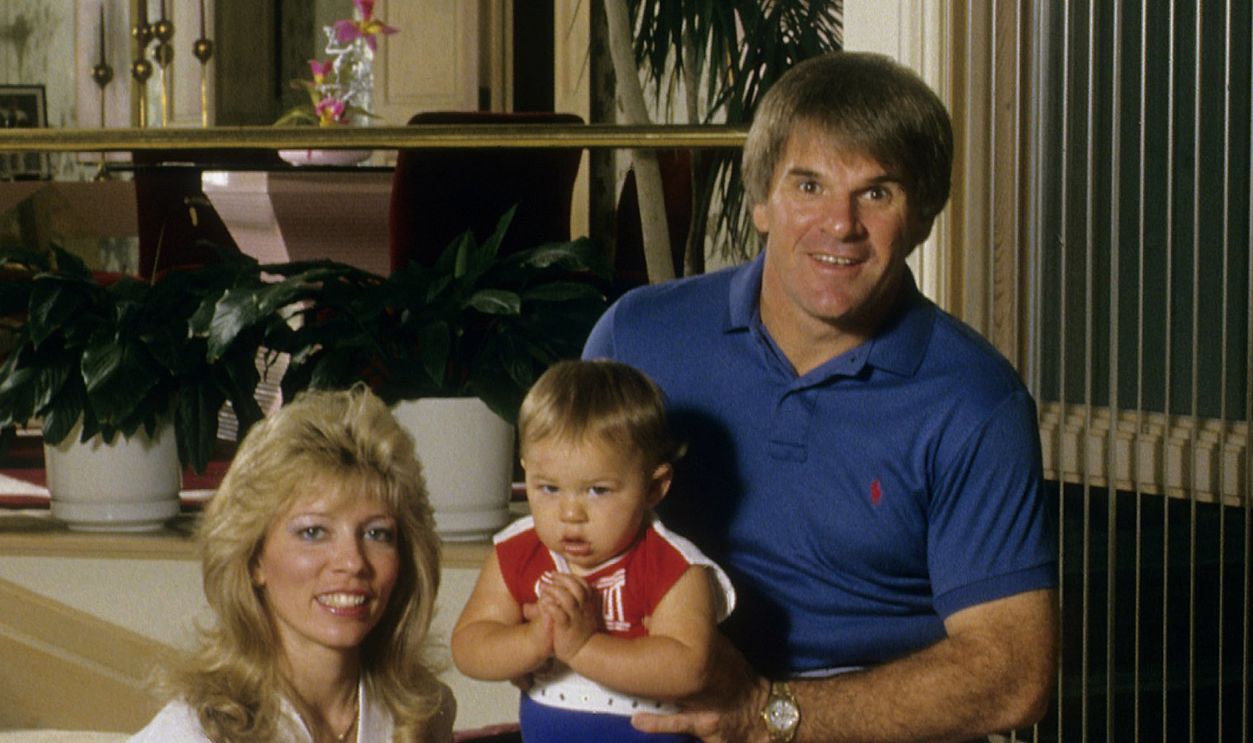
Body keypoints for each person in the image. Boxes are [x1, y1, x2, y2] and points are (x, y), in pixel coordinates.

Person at [583, 51, 1058, 743]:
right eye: (809, 185)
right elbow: (560, 531)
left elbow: (1013, 673)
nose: (840, 223)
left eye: (876, 193)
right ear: (761, 201)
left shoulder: (976, 401)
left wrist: (769, 713)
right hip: (645, 705)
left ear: (922, 218)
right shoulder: (637, 335)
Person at [128, 385, 455, 743]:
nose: (352, 562)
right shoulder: (191, 733)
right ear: (254, 559)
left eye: (377, 534)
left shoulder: (423, 713)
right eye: (313, 532)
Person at [450, 359, 736, 742]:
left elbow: (690, 668)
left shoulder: (673, 566)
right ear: (525, 472)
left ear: (654, 487)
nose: (570, 513)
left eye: (598, 490)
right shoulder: (518, 551)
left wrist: (583, 647)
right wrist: (534, 640)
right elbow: (468, 646)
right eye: (549, 488)